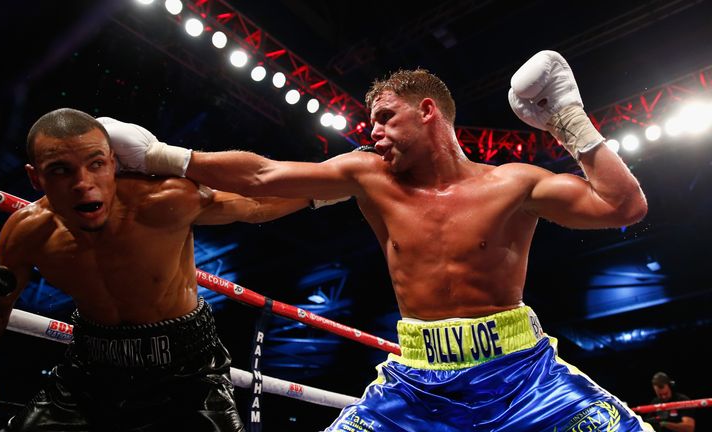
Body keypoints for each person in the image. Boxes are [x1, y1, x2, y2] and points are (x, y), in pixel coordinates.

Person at [102, 51, 653, 431]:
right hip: (415, 382)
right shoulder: (367, 176)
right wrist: (158, 157)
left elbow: (622, 206)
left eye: (386, 118)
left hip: (521, 375)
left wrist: (568, 121)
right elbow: (264, 177)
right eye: (372, 124)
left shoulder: (514, 183)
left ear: (428, 111)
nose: (374, 132)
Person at [0, 107, 319, 431]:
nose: (82, 184)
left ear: (112, 162)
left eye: (95, 164)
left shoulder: (162, 201)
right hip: (89, 373)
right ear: (35, 178)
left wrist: (341, 184)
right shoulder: (25, 234)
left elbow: (255, 201)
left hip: (188, 372)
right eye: (61, 170)